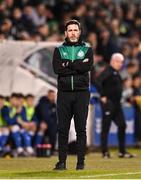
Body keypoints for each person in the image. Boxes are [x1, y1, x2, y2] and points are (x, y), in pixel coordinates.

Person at [52, 19, 93, 170]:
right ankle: (62, 162)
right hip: (64, 94)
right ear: (65, 33)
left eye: (75, 30)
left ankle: (80, 163)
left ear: (80, 32)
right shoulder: (59, 50)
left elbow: (86, 67)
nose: (73, 33)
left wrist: (68, 63)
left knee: (80, 129)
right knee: (62, 129)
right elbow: (58, 69)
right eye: (70, 30)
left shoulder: (87, 49)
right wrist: (77, 65)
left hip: (82, 94)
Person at [95, 53, 134, 158]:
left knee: (122, 125)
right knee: (106, 127)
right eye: (120, 62)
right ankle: (105, 152)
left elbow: (116, 88)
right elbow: (97, 81)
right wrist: (102, 95)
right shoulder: (108, 71)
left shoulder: (116, 72)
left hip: (117, 104)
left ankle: (122, 151)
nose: (121, 64)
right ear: (114, 61)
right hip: (109, 103)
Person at [35, 90, 57, 154]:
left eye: (54, 96)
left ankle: (52, 149)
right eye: (51, 96)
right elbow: (44, 116)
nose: (53, 97)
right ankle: (37, 149)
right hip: (40, 123)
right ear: (48, 96)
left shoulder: (54, 105)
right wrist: (42, 122)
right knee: (45, 129)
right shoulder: (42, 104)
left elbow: (55, 117)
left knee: (57, 130)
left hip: (50, 124)